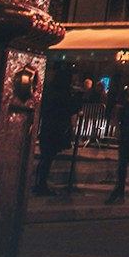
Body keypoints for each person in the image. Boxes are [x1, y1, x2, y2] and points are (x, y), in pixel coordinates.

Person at [33, 67, 78, 195]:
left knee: (45, 157)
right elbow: (71, 108)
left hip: (48, 126)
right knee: (48, 157)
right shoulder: (64, 93)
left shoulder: (50, 91)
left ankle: (39, 183)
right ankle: (41, 185)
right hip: (57, 128)